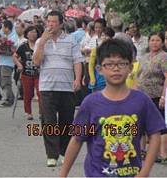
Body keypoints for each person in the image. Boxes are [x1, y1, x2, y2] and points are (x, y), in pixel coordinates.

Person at [60, 39, 165, 177]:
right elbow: (76, 139)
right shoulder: (90, 103)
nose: (116, 68)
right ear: (100, 69)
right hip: (97, 173)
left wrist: (144, 172)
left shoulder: (141, 101)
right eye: (109, 64)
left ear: (131, 67)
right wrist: (63, 174)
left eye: (122, 63)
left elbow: (155, 134)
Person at [33, 10, 83, 167]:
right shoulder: (41, 41)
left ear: (61, 23)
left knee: (66, 120)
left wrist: (78, 79)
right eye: (48, 22)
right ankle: (51, 154)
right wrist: (42, 42)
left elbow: (77, 61)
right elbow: (36, 62)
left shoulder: (70, 40)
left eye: (54, 22)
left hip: (66, 86)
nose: (51, 25)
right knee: (49, 120)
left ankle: (64, 152)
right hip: (47, 86)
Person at [135, 31, 167, 163]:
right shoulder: (144, 56)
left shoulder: (164, 56)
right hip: (143, 95)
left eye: (157, 40)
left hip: (157, 95)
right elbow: (138, 76)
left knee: (160, 125)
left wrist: (164, 96)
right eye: (152, 40)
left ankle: (162, 153)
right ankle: (141, 151)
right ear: (148, 42)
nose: (154, 43)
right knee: (141, 123)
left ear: (162, 42)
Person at [13, 26, 40, 120]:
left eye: (35, 32)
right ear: (27, 34)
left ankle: (42, 112)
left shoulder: (40, 45)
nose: (33, 34)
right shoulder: (23, 46)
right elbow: (15, 56)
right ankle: (28, 112)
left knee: (40, 93)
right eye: (31, 32)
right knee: (27, 93)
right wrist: (19, 65)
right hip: (26, 73)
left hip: (39, 73)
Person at [0, 20, 19, 108]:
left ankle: (8, 99)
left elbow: (12, 50)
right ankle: (10, 97)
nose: (2, 29)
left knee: (6, 81)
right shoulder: (4, 36)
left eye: (3, 27)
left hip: (8, 63)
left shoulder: (13, 37)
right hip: (1, 61)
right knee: (1, 81)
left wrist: (2, 49)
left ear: (7, 28)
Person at [88, 27, 115, 92]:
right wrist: (92, 79)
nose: (105, 37)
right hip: (98, 79)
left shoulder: (115, 51)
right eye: (103, 35)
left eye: (107, 35)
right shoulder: (95, 50)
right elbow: (91, 66)